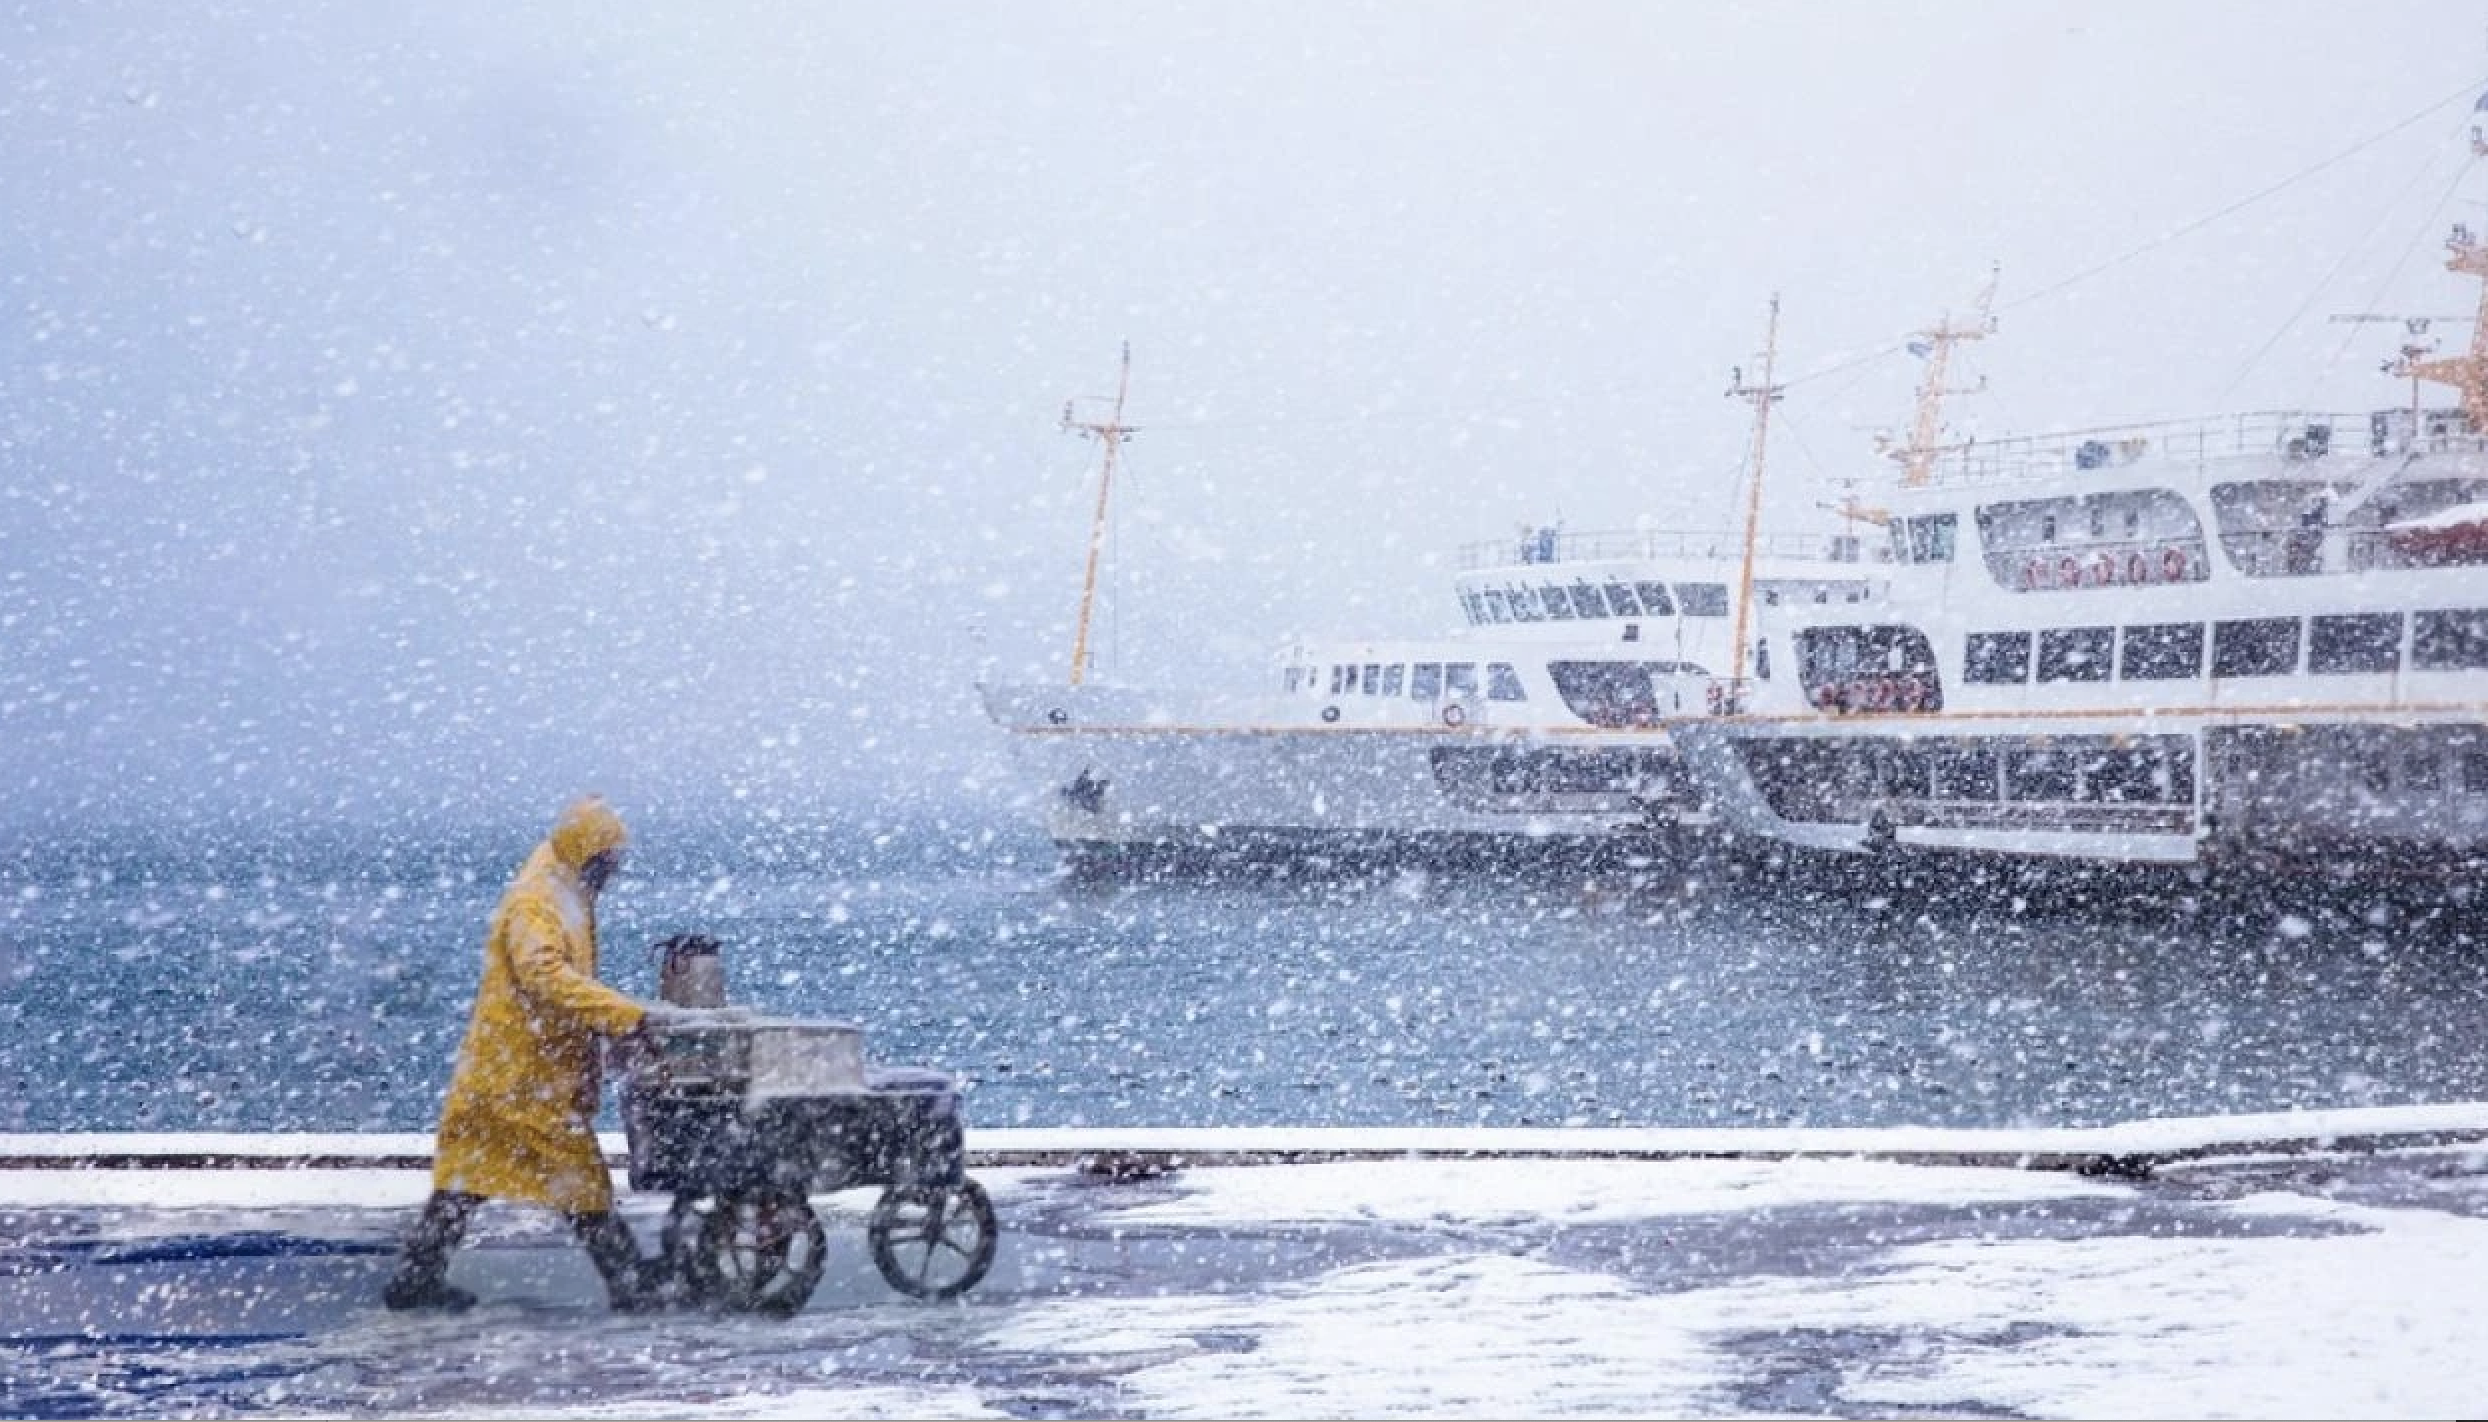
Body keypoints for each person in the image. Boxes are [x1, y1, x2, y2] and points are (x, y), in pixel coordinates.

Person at [383, 794, 682, 1312]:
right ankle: (628, 1283)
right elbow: (543, 975)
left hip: (505, 1064)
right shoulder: (537, 901)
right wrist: (623, 1014)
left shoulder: (563, 885)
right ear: (588, 854)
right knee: (580, 1178)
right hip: (524, 1070)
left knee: (467, 1176)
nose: (613, 872)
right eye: (608, 861)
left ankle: (417, 1277)